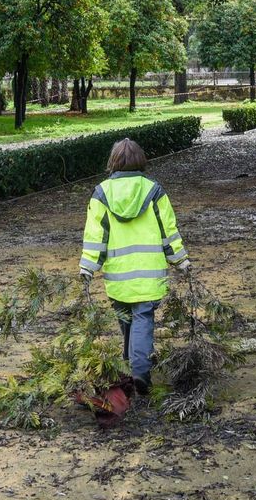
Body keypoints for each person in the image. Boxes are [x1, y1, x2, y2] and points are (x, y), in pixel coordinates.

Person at [78, 138, 191, 396]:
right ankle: (140, 372)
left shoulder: (101, 194)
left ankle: (131, 366)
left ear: (113, 162)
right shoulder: (154, 191)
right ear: (140, 160)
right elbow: (168, 231)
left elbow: (95, 235)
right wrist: (181, 260)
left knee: (126, 318)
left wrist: (87, 268)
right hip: (150, 275)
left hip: (118, 276)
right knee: (142, 318)